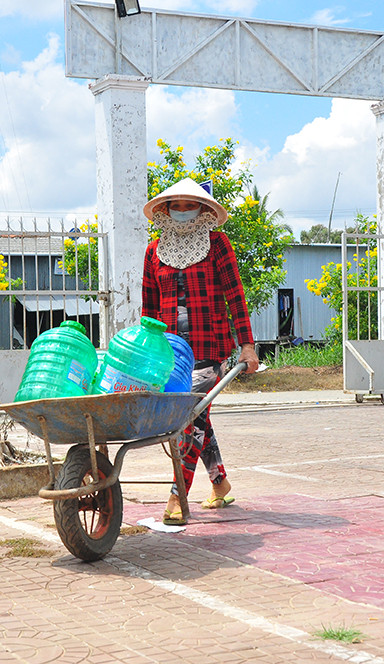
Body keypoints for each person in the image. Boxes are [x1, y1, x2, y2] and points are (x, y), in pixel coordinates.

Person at [140, 178, 260, 526]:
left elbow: (235, 295)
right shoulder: (154, 252)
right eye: (174, 206)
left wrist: (247, 346)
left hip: (211, 348)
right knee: (198, 414)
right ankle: (219, 483)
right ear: (164, 211)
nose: (181, 212)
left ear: (203, 209)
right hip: (171, 357)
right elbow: (149, 309)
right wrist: (148, 356)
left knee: (189, 417)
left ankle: (178, 495)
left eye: (188, 205)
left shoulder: (218, 245)